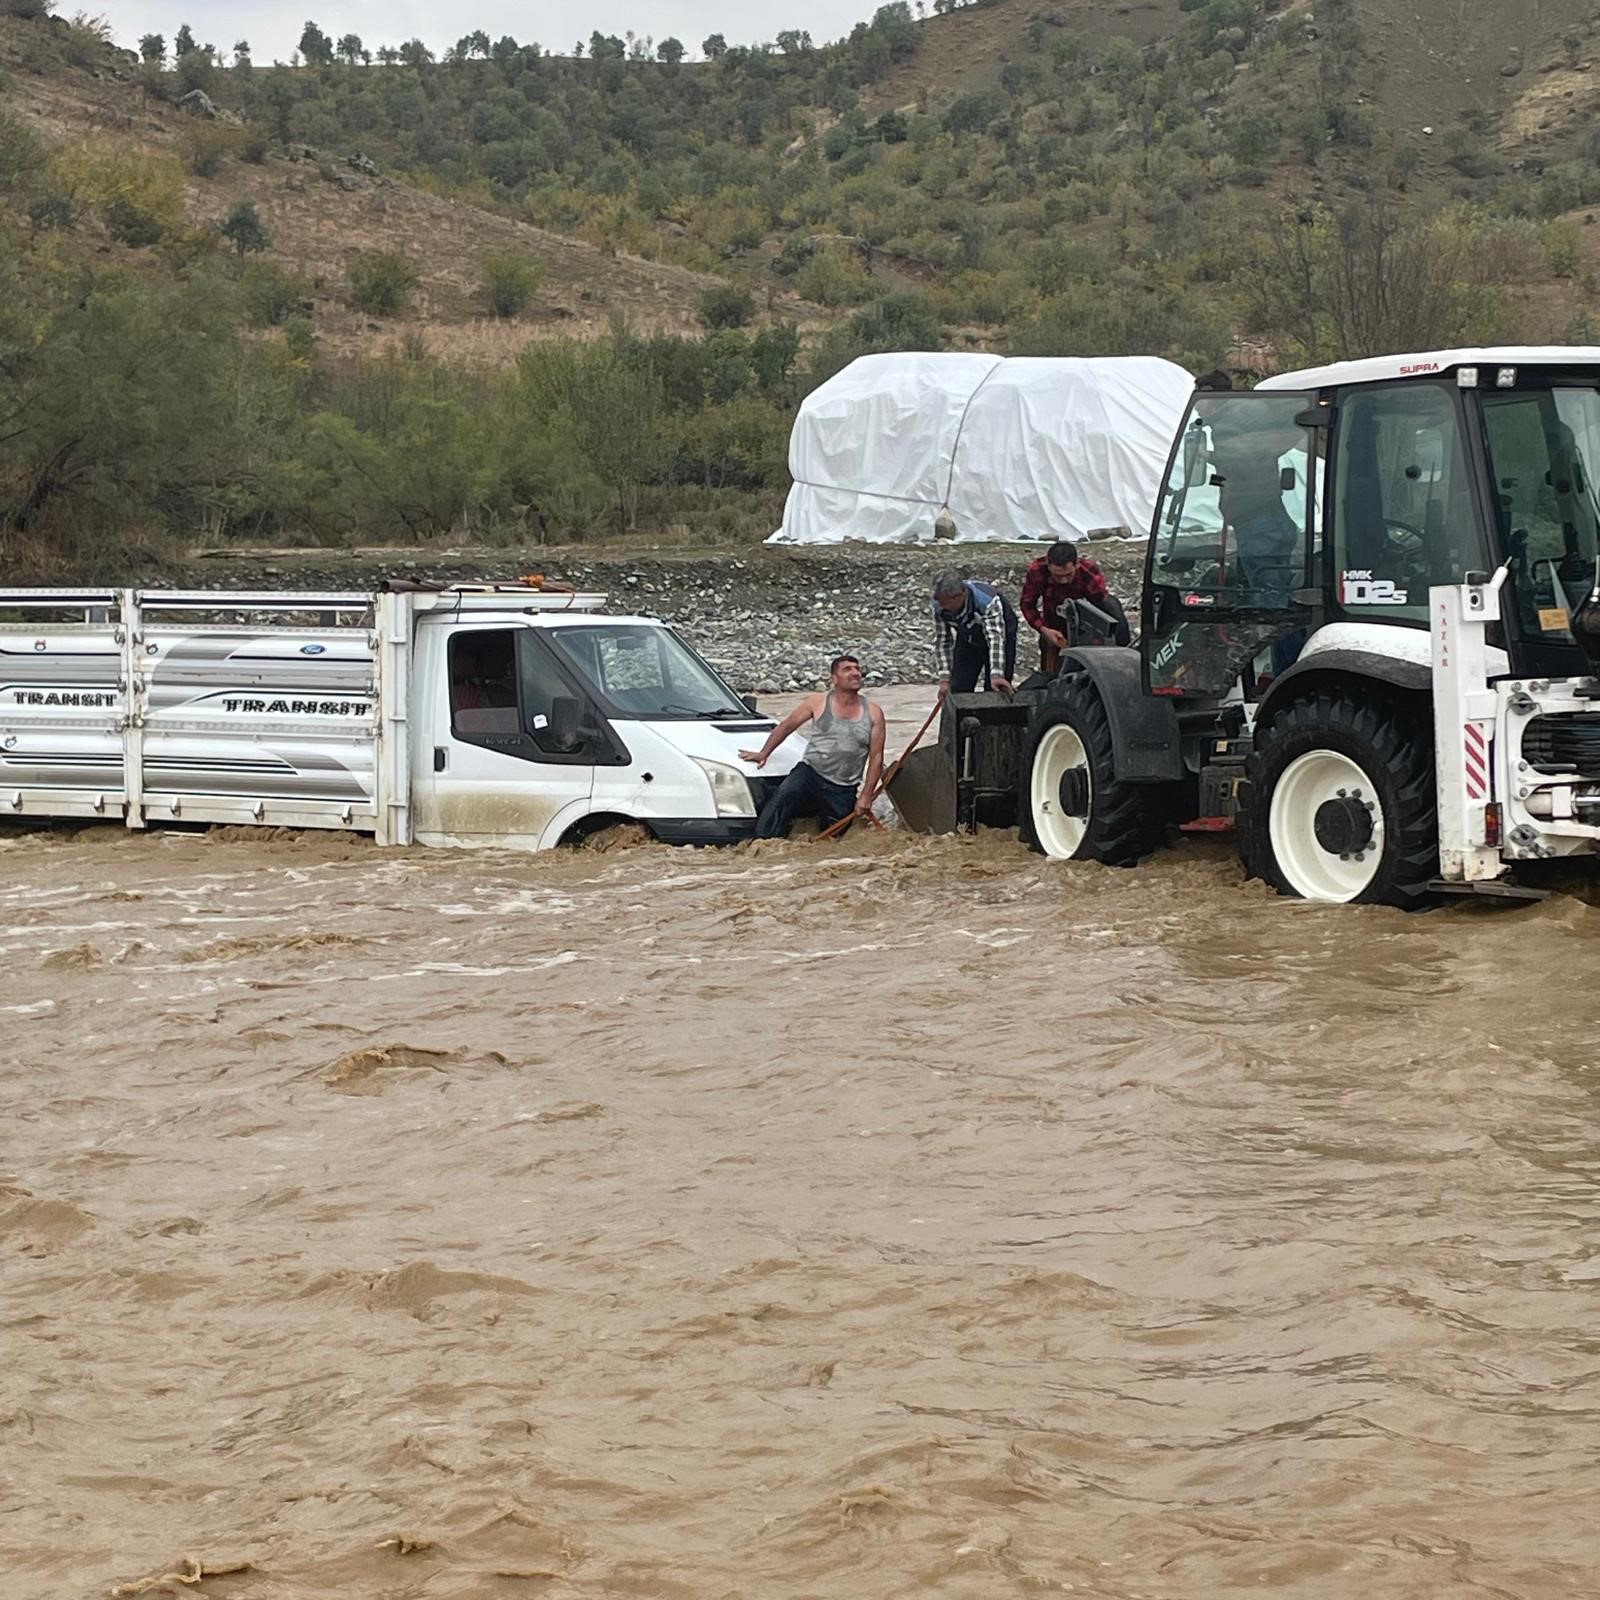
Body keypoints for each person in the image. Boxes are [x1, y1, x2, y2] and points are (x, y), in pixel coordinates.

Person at [740, 654, 887, 840]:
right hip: (810, 773)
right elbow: (786, 726)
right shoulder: (817, 702)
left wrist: (866, 796)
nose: (856, 673)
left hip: (843, 786)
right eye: (847, 669)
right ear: (834, 679)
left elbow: (876, 758)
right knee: (784, 795)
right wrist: (764, 753)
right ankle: (761, 842)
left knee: (836, 837)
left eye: (857, 669)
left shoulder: (874, 712)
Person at [1019, 540, 1127, 673]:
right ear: (1049, 566)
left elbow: (1101, 605)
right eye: (1058, 576)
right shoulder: (1037, 571)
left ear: (1077, 565)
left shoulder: (1089, 572)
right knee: (1050, 668)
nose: (1063, 581)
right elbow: (1027, 604)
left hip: (1085, 623)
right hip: (1053, 622)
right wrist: (1043, 629)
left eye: (1068, 575)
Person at [931, 571, 1017, 695]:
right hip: (968, 634)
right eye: (940, 603)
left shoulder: (987, 601)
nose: (942, 607)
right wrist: (945, 679)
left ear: (961, 595)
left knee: (995, 689)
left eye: (946, 604)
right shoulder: (939, 605)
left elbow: (995, 639)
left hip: (1000, 633)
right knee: (959, 687)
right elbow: (943, 641)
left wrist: (997, 674)